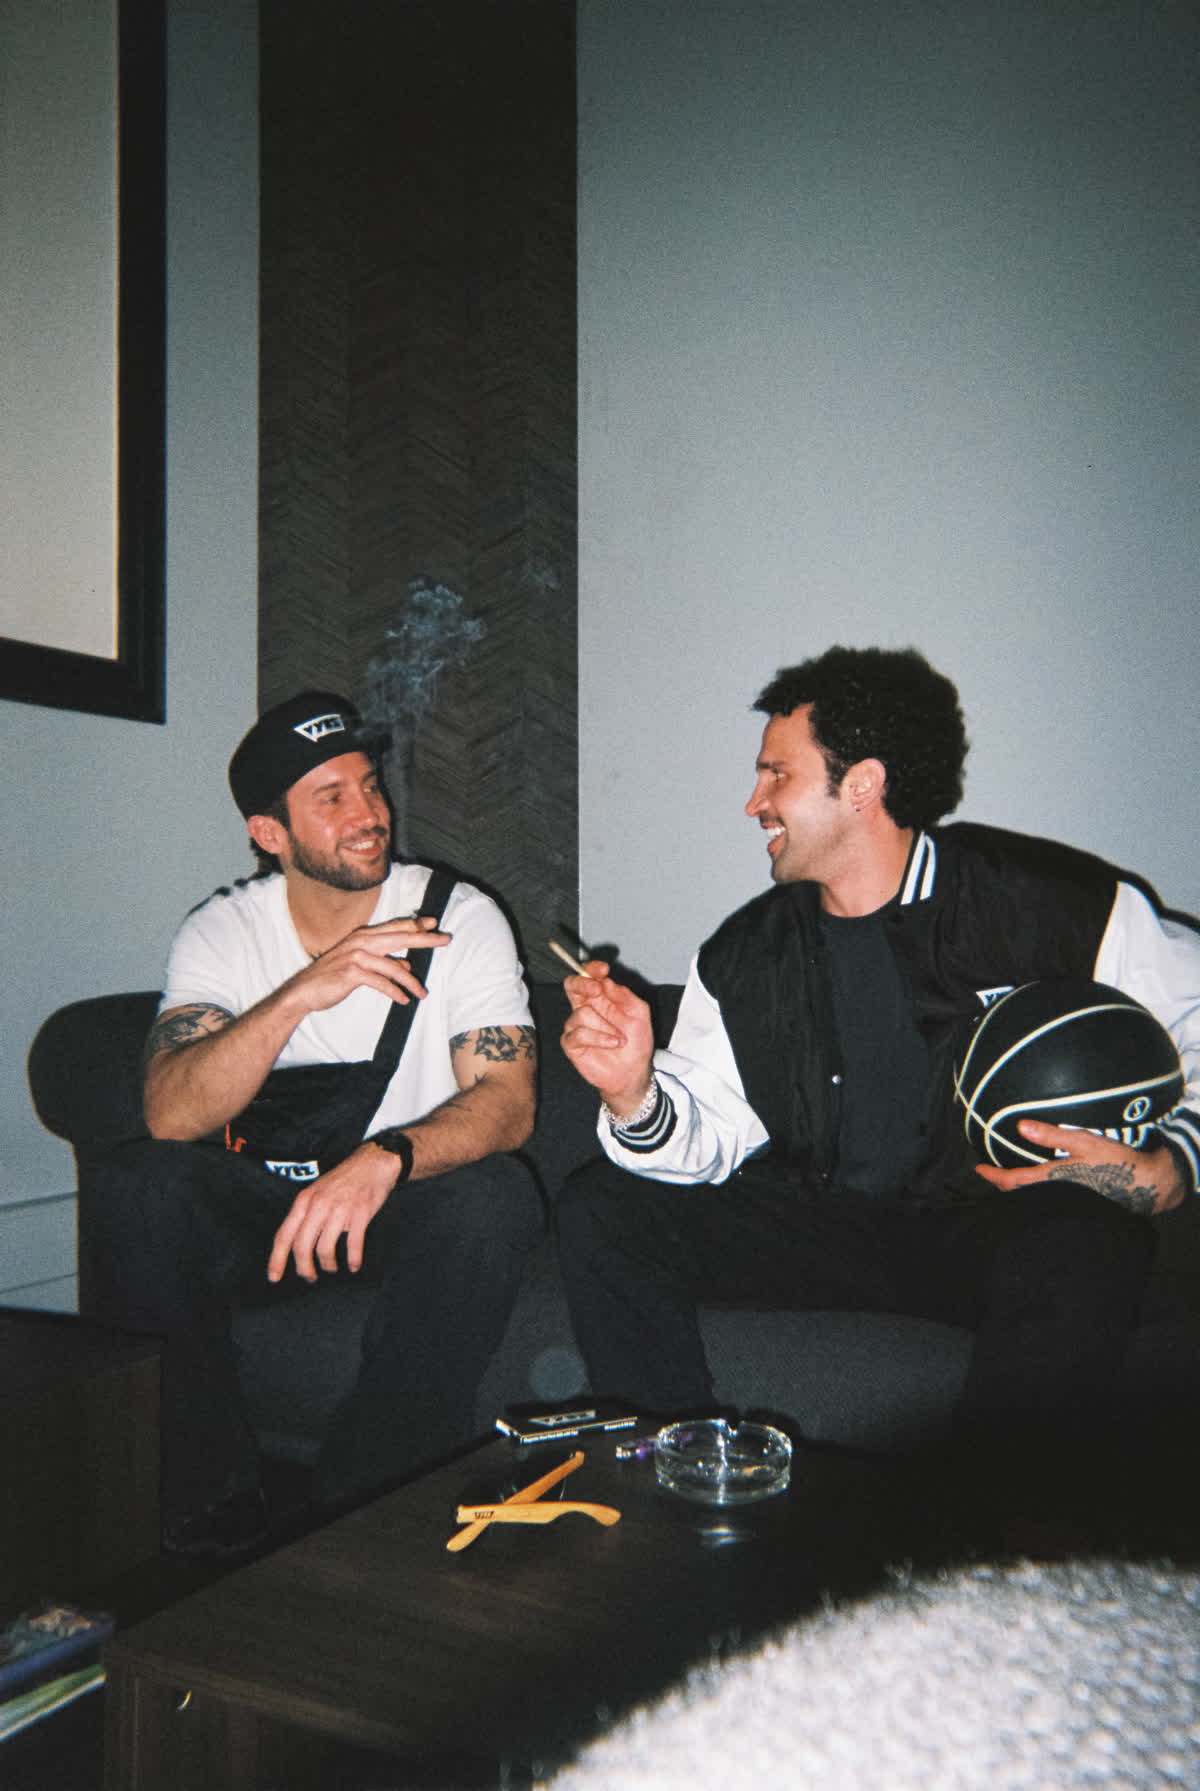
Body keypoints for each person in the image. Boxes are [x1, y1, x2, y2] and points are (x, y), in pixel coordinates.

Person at [556, 646, 1200, 1468]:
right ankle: (680, 1467)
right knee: (602, 1205)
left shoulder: (1038, 899)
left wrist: (1172, 1164)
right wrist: (634, 1092)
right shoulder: (744, 953)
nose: (754, 802)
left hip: (991, 1228)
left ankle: (991, 1527)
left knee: (1087, 1238)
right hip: (828, 1226)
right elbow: (709, 1136)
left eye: (776, 775)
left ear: (861, 784)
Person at [88, 691, 541, 1553]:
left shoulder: (457, 916)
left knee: (494, 1196)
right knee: (137, 1182)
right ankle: (207, 1502)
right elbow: (169, 1112)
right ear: (269, 832)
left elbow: (509, 1101)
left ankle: (368, 1494)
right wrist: (302, 992)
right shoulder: (222, 931)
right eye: (330, 797)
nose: (368, 813)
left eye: (369, 785)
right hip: (262, 1215)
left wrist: (386, 1157)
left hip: (390, 1210)